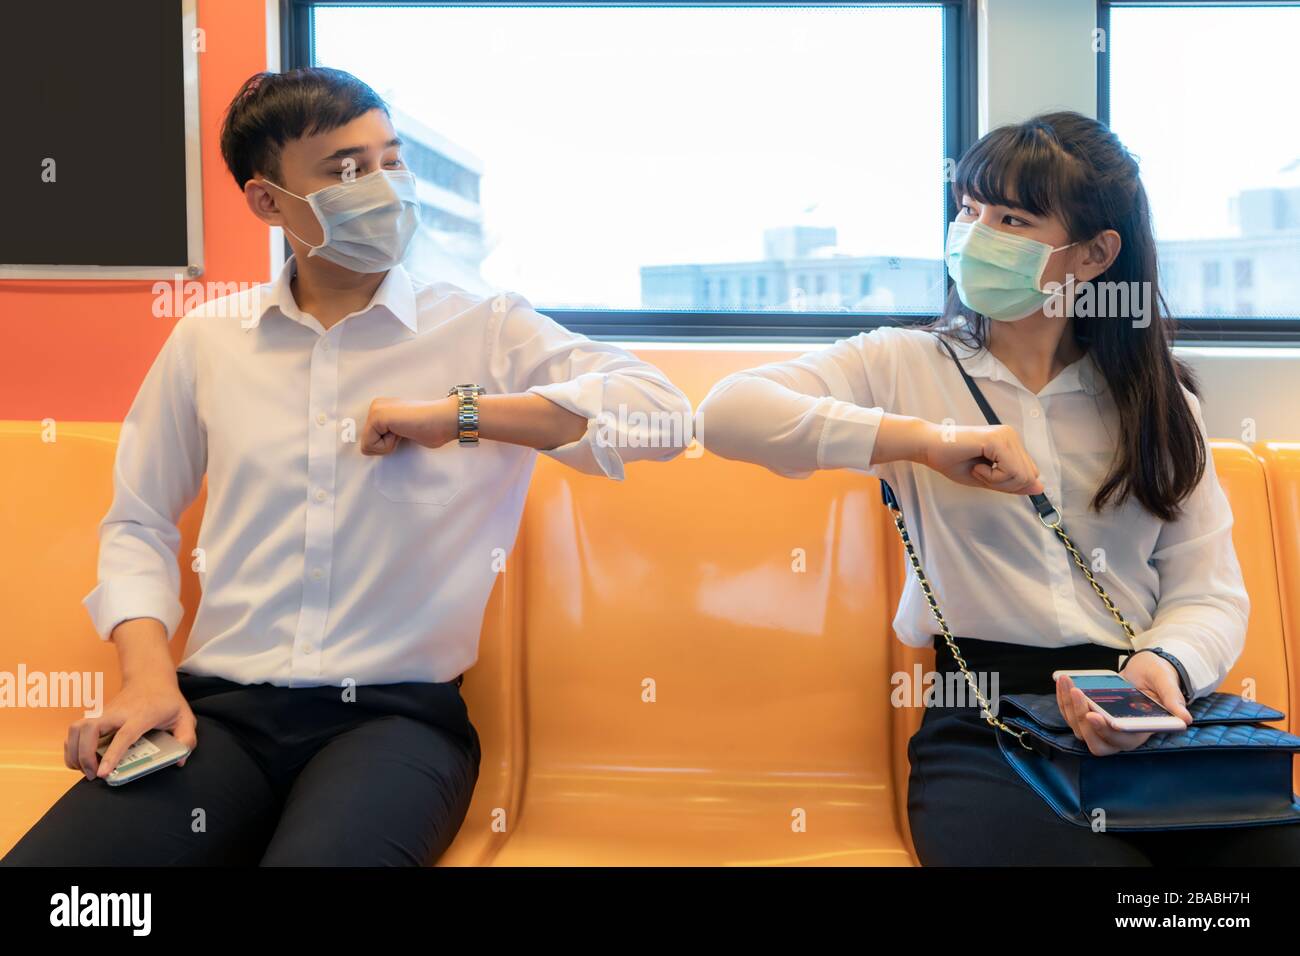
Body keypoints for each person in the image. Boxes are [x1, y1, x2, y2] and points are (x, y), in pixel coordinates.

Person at [1, 67, 691, 867]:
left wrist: (456, 415)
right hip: (217, 716)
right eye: (346, 170)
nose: (384, 186)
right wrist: (147, 677)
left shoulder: (482, 325)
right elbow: (138, 521)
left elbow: (662, 414)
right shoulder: (209, 340)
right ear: (268, 202)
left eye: (390, 159)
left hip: (395, 725)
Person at [694, 111, 1299, 865]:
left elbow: (1209, 593)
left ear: (1094, 255)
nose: (975, 235)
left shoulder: (1159, 403)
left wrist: (1162, 668)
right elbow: (725, 413)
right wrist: (928, 442)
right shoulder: (904, 364)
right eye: (969, 210)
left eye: (1012, 219)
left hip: (1143, 703)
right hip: (985, 719)